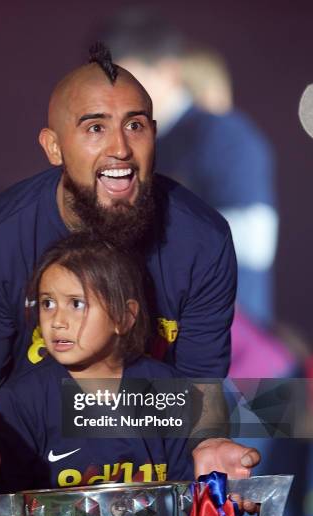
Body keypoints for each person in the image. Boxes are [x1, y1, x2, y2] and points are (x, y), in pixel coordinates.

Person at [0, 43, 260, 498]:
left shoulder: (202, 239)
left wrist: (207, 447)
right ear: (53, 146)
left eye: (135, 125)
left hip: (154, 476)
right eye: (94, 128)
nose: (120, 149)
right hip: (33, 483)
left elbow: (199, 388)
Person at [0, 233, 200, 516]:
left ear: (124, 316)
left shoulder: (166, 386)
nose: (57, 321)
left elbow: (191, 500)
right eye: (47, 303)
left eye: (76, 304)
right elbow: (4, 505)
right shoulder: (23, 397)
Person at [99, 10, 279, 329]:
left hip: (227, 342)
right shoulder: (139, 144)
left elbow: (255, 240)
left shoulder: (221, 134)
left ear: (169, 71)